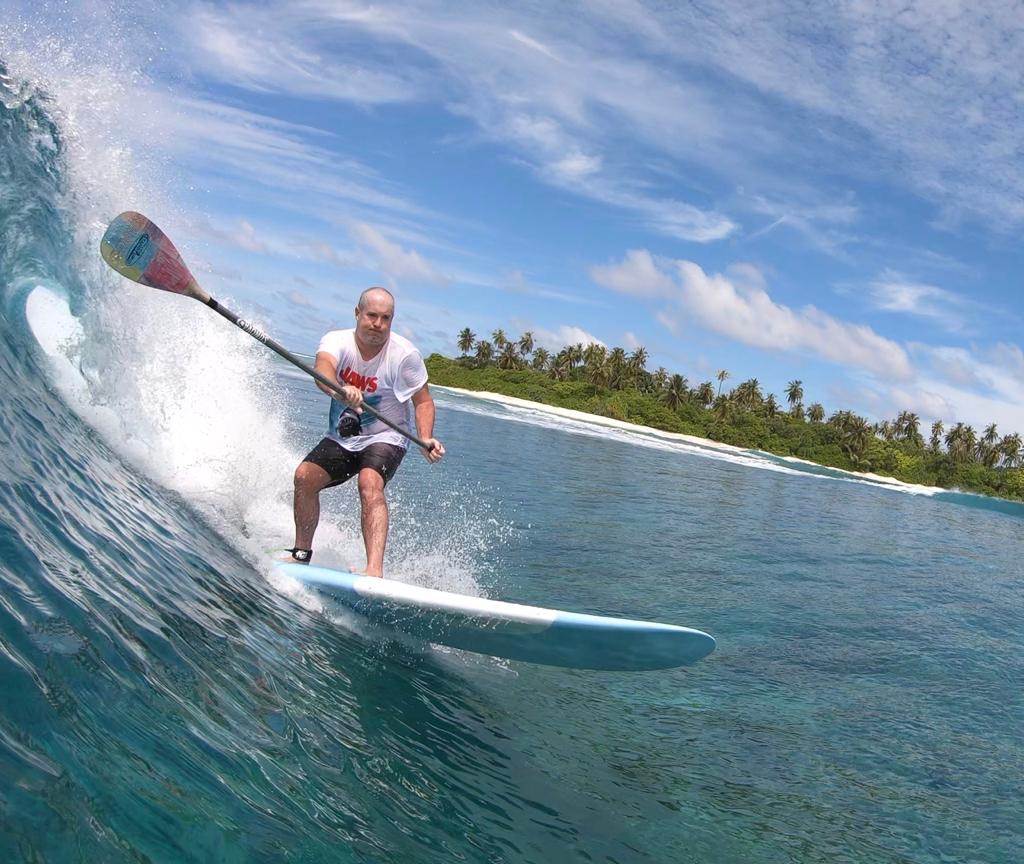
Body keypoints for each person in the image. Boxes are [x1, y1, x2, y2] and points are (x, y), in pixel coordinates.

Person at [284, 286, 444, 576]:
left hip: (387, 436)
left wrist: (425, 437)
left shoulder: (405, 355)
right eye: (372, 316)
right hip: (343, 438)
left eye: (386, 318)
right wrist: (340, 389)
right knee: (304, 477)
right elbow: (323, 371)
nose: (378, 324)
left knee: (370, 484)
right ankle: (301, 554)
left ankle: (373, 571)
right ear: (357, 313)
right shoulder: (337, 341)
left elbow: (423, 401)